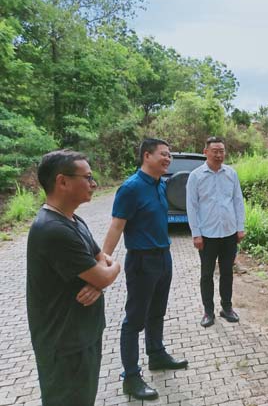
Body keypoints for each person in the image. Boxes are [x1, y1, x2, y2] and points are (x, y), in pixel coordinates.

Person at [27, 150, 121, 406]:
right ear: (62, 182)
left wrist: (99, 281)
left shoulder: (74, 220)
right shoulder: (52, 229)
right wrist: (106, 274)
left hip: (83, 335)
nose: (93, 184)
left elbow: (101, 259)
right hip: (64, 345)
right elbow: (105, 269)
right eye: (87, 177)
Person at [103, 138, 188, 401]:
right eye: (163, 154)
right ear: (146, 156)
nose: (168, 158)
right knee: (134, 319)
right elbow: (117, 226)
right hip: (141, 261)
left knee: (157, 311)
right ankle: (130, 377)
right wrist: (103, 259)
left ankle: (157, 355)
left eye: (169, 155)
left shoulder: (161, 185)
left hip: (164, 257)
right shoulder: (130, 188)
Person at [186, 136, 245, 327]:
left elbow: (238, 201)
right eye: (215, 151)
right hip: (207, 236)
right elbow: (192, 206)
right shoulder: (196, 176)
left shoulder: (231, 174)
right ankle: (208, 312)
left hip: (229, 233)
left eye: (221, 151)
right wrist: (196, 233)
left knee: (227, 272)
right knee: (206, 274)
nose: (219, 155)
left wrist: (240, 228)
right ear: (206, 152)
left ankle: (226, 308)